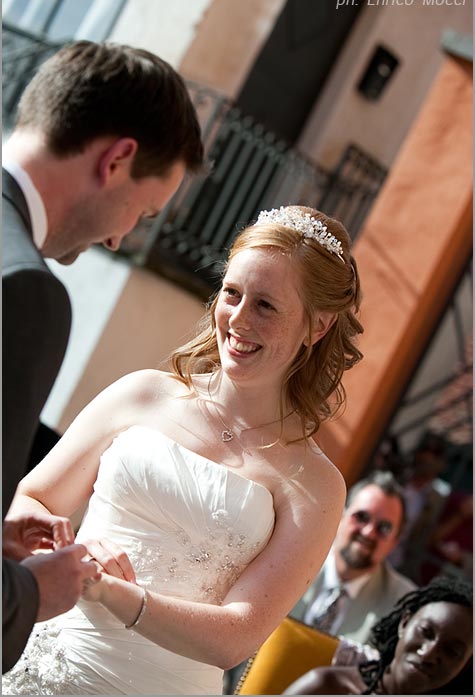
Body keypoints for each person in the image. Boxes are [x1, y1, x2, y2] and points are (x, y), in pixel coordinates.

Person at [3, 205, 362, 695]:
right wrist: (67, 546)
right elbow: (34, 500)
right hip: (47, 657)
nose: (238, 318)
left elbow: (236, 636)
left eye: (266, 306)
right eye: (232, 293)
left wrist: (117, 595)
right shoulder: (142, 393)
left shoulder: (315, 485)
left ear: (317, 327)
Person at [2, 39, 204, 674]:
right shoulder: (25, 291)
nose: (120, 237)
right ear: (117, 159)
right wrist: (33, 593)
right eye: (142, 211)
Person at [283, 575, 473, 695]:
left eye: (452, 651)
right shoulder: (327, 688)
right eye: (426, 632)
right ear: (404, 623)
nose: (429, 654)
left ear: (465, 665)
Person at [290, 471, 416, 643]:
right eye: (362, 517)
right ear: (341, 516)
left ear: (394, 543)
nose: (368, 532)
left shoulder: (400, 605)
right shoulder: (292, 555)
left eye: (384, 527)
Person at [388, 433, 451, 582]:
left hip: (398, 564)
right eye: (425, 449)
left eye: (435, 453)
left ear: (442, 463)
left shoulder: (439, 498)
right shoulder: (395, 480)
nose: (428, 457)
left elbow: (432, 536)